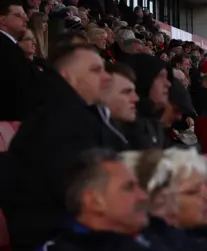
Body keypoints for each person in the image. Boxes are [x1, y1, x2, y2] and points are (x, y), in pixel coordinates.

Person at [5, 44, 124, 250]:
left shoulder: (78, 114)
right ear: (68, 76)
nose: (106, 77)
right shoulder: (59, 119)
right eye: (96, 71)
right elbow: (80, 193)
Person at [40, 149, 163, 251]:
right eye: (128, 188)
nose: (143, 196)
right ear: (94, 202)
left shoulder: (155, 234)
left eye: (139, 187)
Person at [0, 0, 33, 121]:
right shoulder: (5, 48)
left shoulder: (11, 47)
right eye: (19, 15)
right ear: (3, 19)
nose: (26, 19)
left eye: (25, 15)